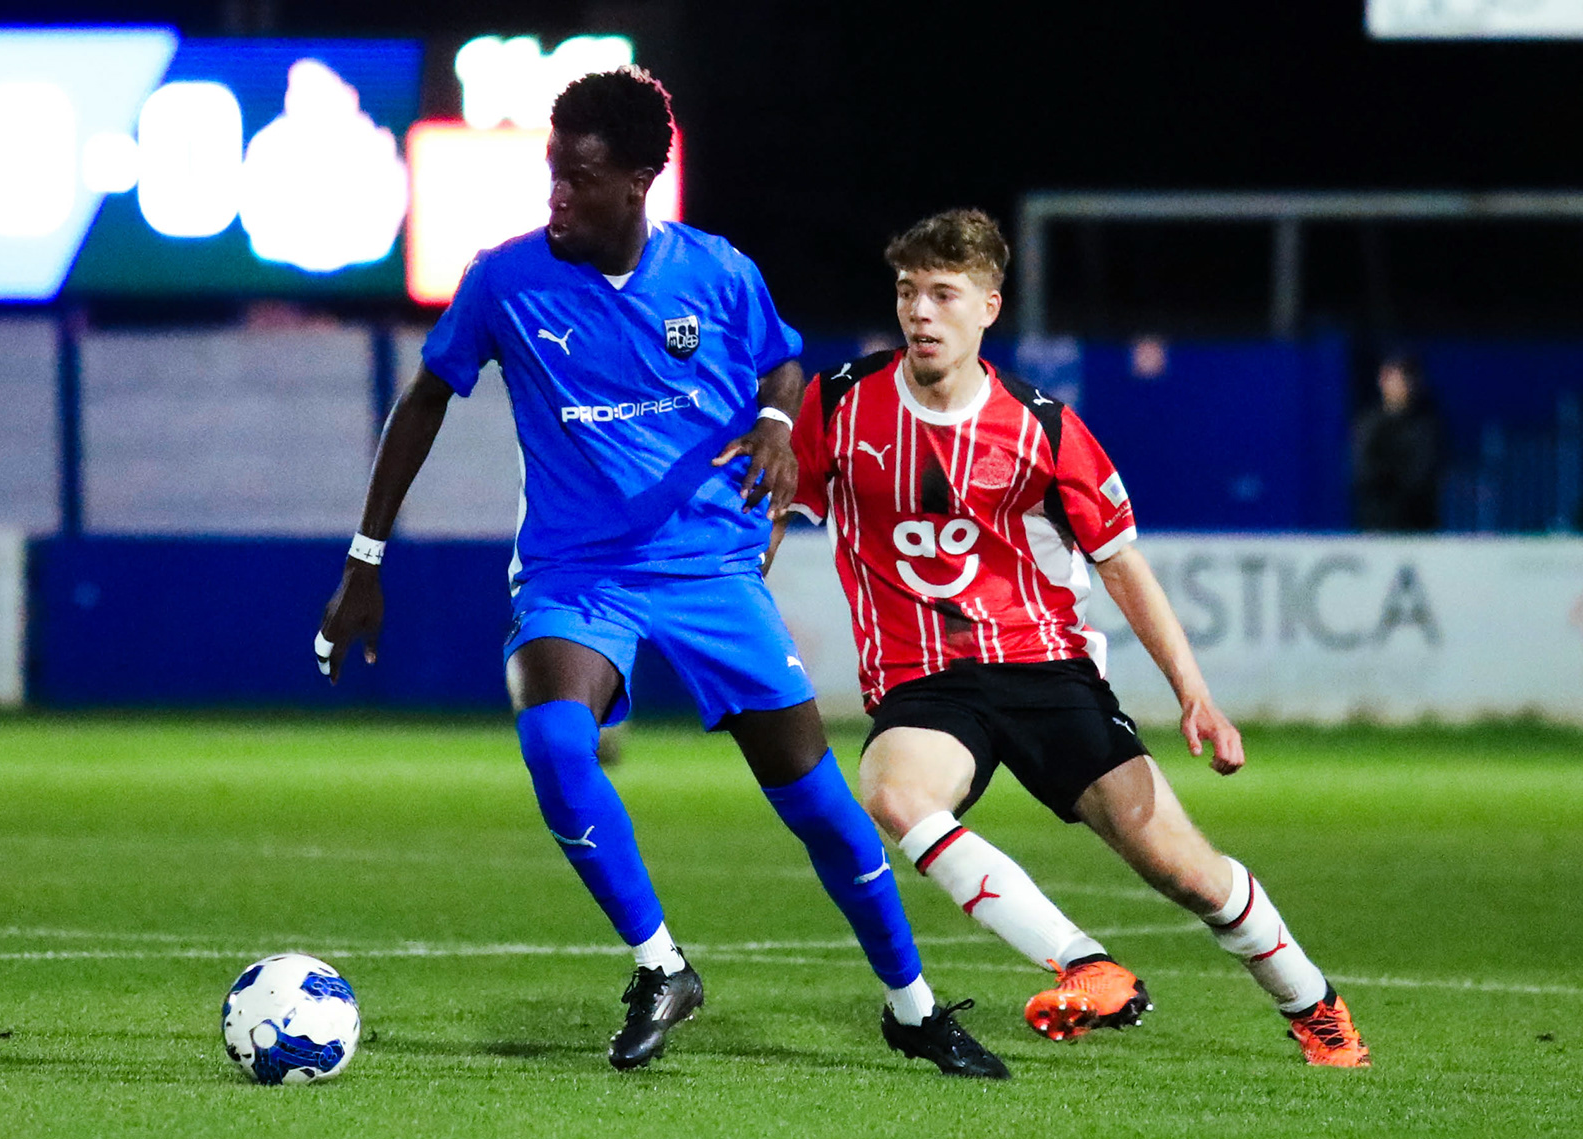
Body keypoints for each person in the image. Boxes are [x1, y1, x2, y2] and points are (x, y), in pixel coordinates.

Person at [316, 69, 1005, 1078]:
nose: (555, 196)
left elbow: (782, 362)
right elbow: (423, 401)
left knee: (817, 804)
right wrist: (364, 560)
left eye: (579, 179)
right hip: (576, 571)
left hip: (709, 568)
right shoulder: (504, 281)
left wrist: (775, 420)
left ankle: (912, 1003)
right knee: (554, 738)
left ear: (639, 181)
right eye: (552, 173)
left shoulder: (718, 274)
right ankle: (660, 964)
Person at [776, 209, 1369, 1068]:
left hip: (1048, 670)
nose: (920, 313)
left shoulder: (1043, 427)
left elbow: (1123, 565)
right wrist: (734, 608)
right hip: (926, 683)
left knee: (1185, 870)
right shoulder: (839, 405)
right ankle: (1088, 966)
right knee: (896, 793)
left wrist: (1193, 693)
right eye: (907, 293)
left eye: (944, 294)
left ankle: (1313, 1006)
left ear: (989, 305)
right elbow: (768, 508)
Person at [1352, 354, 1442, 532]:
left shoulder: (1428, 425)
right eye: (1395, 378)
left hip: (1418, 527)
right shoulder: (1368, 423)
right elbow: (1362, 471)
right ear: (1382, 380)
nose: (1402, 385)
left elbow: (1422, 475)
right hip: (1375, 525)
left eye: (1407, 378)